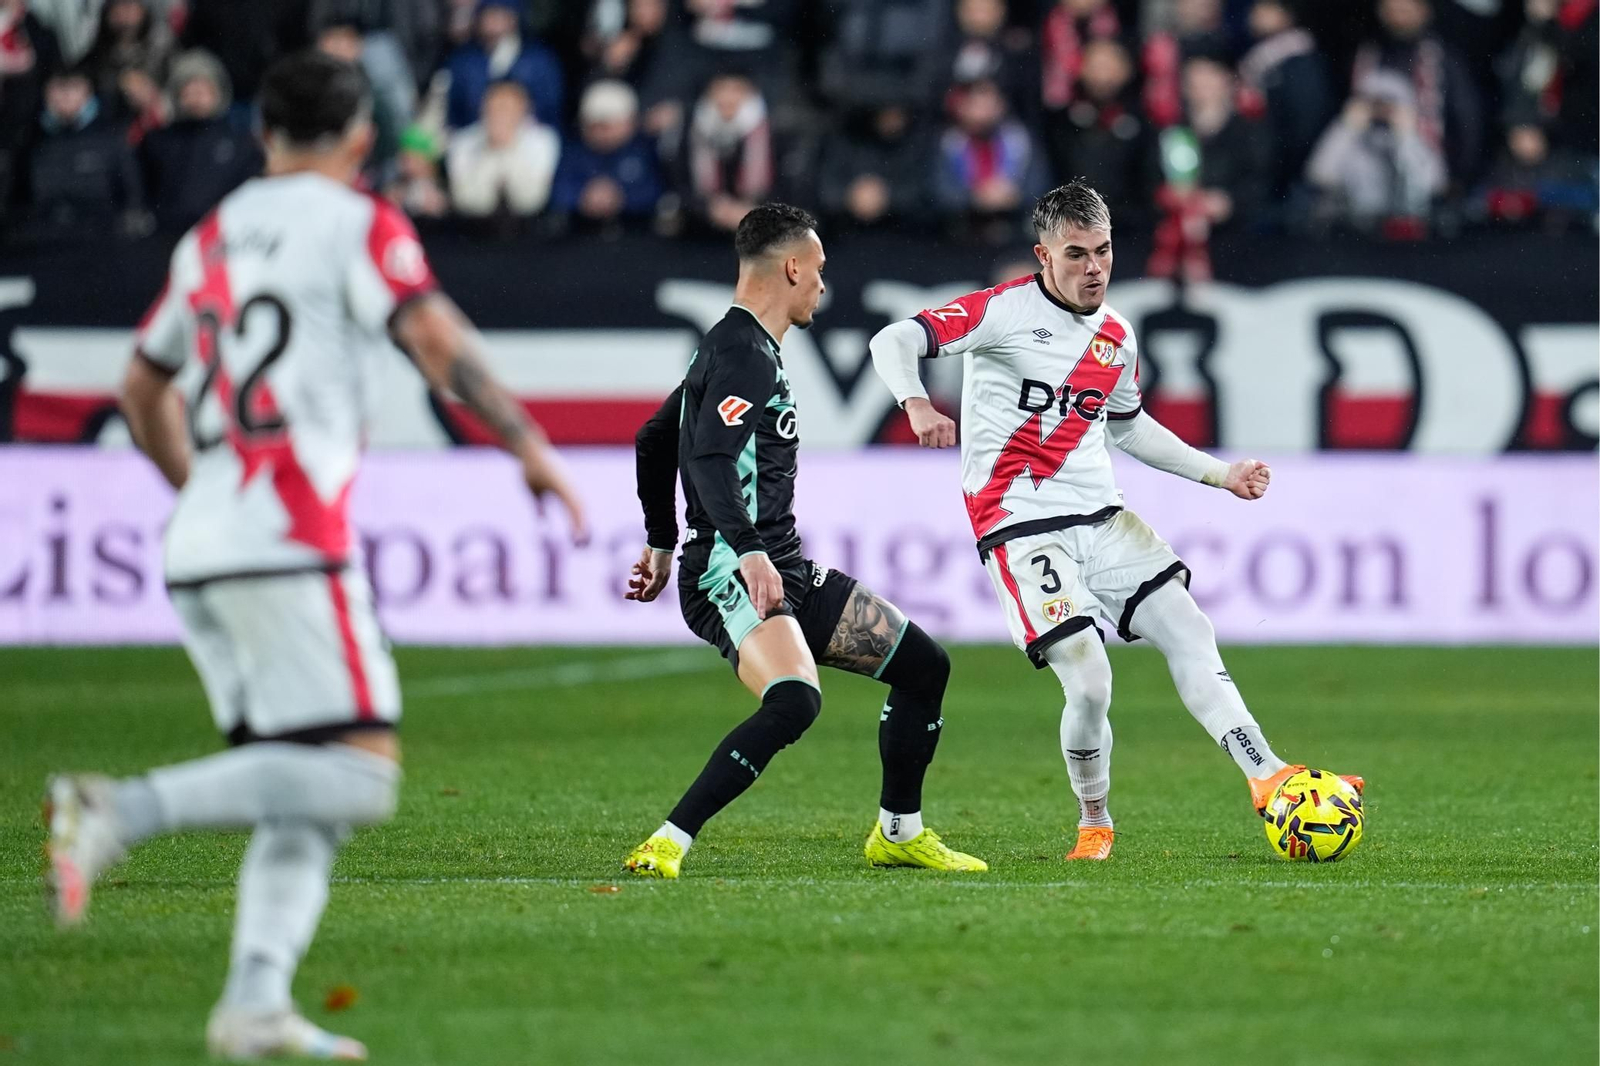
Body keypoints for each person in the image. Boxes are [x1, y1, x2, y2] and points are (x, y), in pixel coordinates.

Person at [43, 50, 584, 1061]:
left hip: (205, 540)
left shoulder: (211, 235)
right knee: (357, 778)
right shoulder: (357, 222)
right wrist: (528, 444)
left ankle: (253, 1002)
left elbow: (140, 389)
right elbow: (432, 335)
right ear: (363, 137)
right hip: (289, 539)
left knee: (300, 783)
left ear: (262, 132)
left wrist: (200, 489)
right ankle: (118, 807)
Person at [867, 180, 1363, 862]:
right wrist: (917, 402)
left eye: (1102, 251)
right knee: (1091, 680)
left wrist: (1219, 474)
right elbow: (893, 338)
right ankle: (1094, 819)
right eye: (1076, 254)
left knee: (1189, 628)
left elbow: (1127, 427)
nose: (1094, 267)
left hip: (1103, 517)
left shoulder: (1116, 336)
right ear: (1044, 255)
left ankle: (1268, 775)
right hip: (1020, 524)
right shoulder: (1002, 312)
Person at [622, 203, 986, 880]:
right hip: (733, 567)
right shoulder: (743, 354)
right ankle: (668, 841)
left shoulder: (735, 345)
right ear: (791, 268)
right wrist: (743, 550)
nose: (822, 283)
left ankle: (899, 833)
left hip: (778, 562)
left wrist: (661, 541)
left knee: (923, 667)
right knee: (794, 699)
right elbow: (708, 457)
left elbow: (655, 438)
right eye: (817, 269)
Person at [447, 78, 560, 218]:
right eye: (495, 106)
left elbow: (530, 201)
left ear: (523, 108)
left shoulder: (543, 140)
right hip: (473, 224)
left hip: (529, 225)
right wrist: (489, 149)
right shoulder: (462, 141)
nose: (500, 114)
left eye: (507, 107)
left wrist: (509, 148)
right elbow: (467, 201)